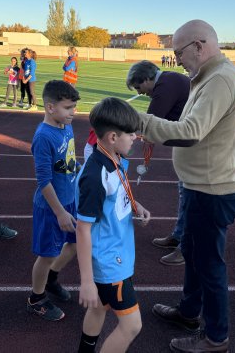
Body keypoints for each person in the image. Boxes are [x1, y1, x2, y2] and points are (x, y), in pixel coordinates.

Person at [139, 20, 235, 353]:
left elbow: (190, 131)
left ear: (199, 45)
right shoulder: (207, 77)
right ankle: (188, 312)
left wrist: (135, 120)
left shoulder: (220, 79)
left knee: (209, 264)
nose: (176, 60)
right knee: (196, 257)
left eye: (178, 52)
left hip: (212, 190)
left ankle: (216, 337)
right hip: (201, 185)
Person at [76, 97, 151, 353]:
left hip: (115, 251)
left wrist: (134, 204)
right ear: (111, 136)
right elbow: (82, 229)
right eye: (130, 133)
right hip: (109, 262)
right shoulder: (95, 176)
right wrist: (86, 281)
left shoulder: (113, 157)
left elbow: (117, 191)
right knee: (131, 326)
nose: (135, 137)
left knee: (99, 308)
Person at [126, 60, 190, 266]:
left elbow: (150, 123)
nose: (141, 92)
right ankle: (179, 236)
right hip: (189, 145)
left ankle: (186, 246)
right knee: (185, 193)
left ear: (147, 79)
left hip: (196, 149)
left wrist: (134, 135)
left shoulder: (165, 86)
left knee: (191, 197)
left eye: (139, 87)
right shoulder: (170, 79)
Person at [27, 80, 80, 321]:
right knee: (48, 254)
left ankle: (51, 279)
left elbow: (69, 159)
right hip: (52, 207)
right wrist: (59, 212)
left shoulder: (65, 126)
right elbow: (44, 181)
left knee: (76, 243)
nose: (73, 112)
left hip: (70, 200)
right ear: (50, 107)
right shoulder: (43, 136)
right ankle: (36, 299)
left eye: (73, 107)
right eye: (68, 108)